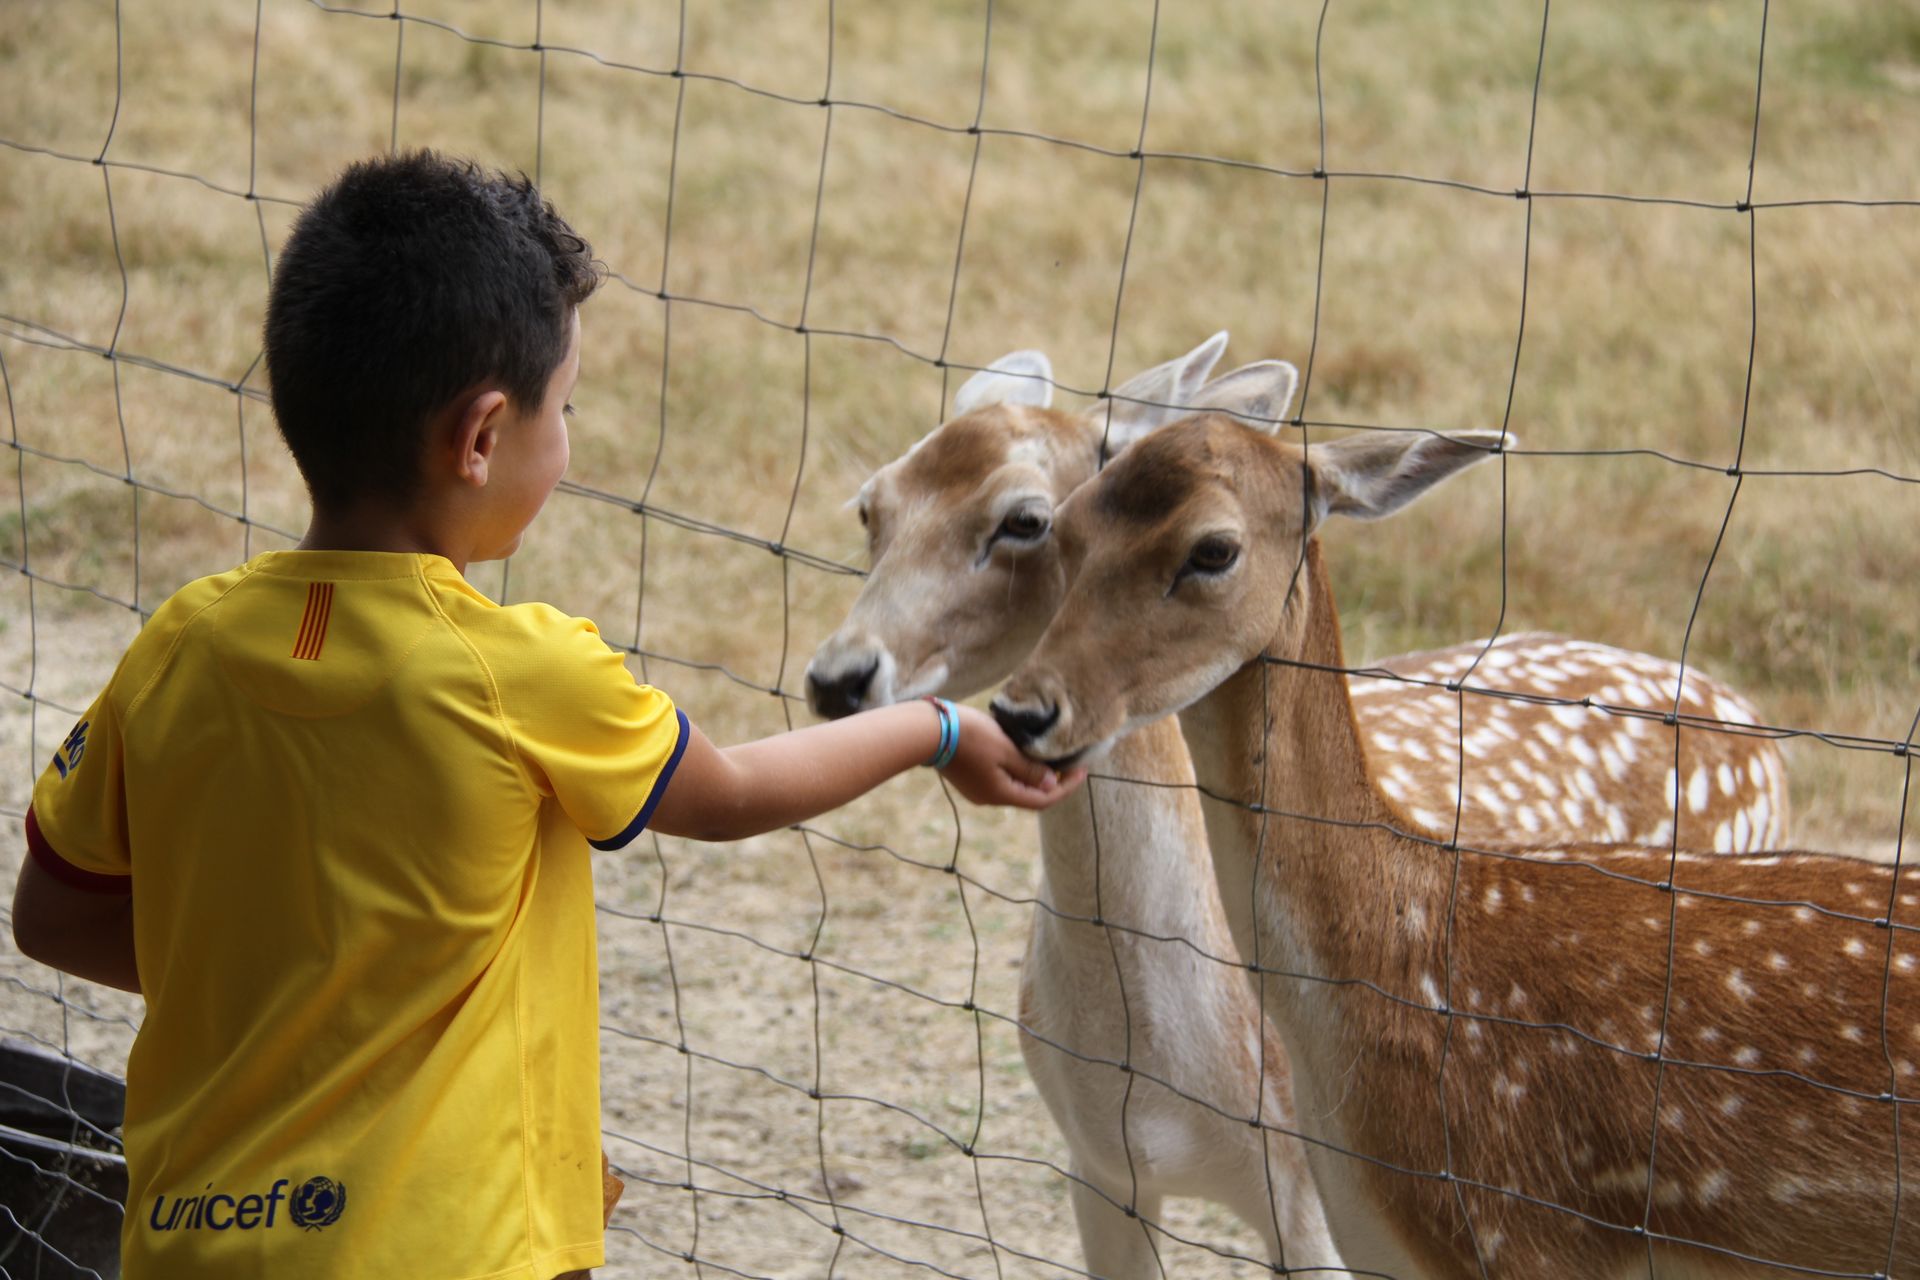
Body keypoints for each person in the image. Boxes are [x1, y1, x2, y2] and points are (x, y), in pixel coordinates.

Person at [9, 151, 1083, 1280]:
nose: (568, 439)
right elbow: (737, 795)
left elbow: (51, 916)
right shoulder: (517, 671)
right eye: (562, 408)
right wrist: (942, 730)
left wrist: (287, 982)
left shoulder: (178, 646)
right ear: (480, 438)